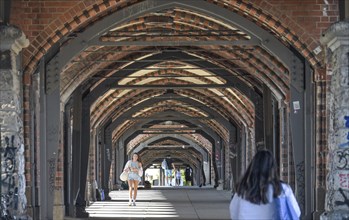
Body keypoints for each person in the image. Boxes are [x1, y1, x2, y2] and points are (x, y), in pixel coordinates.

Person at [229, 150, 301, 220]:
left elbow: (234, 213)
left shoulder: (243, 189)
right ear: (273, 168)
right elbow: (296, 212)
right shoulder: (282, 189)